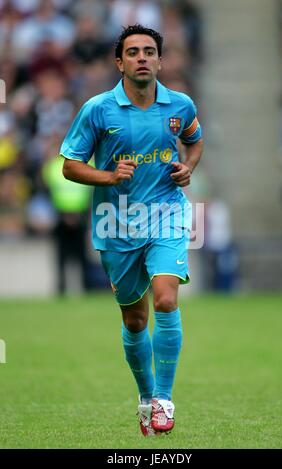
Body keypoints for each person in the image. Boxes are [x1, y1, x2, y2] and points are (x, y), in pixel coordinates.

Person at [59, 24, 203, 436]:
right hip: (116, 224)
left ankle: (164, 398)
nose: (142, 57)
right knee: (136, 321)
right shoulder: (99, 109)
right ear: (119, 62)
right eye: (134, 52)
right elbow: (69, 165)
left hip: (166, 215)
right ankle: (144, 397)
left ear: (160, 60)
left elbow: (194, 142)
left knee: (165, 299)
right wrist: (108, 176)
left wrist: (187, 168)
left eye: (150, 51)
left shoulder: (181, 106)